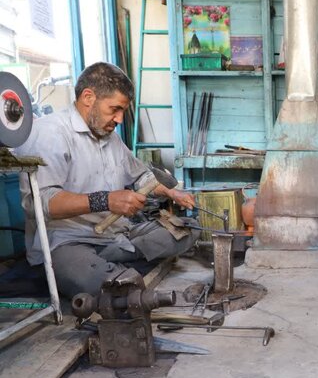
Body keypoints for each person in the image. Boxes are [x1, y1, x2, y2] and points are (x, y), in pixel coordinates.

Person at [13, 62, 200, 299]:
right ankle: (112, 276)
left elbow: (142, 176)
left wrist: (172, 192)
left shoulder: (109, 138)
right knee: (100, 283)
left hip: (114, 236)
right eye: (115, 109)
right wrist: (106, 201)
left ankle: (117, 267)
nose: (119, 119)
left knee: (189, 230)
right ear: (88, 97)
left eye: (123, 111)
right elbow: (41, 203)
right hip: (68, 243)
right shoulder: (50, 133)